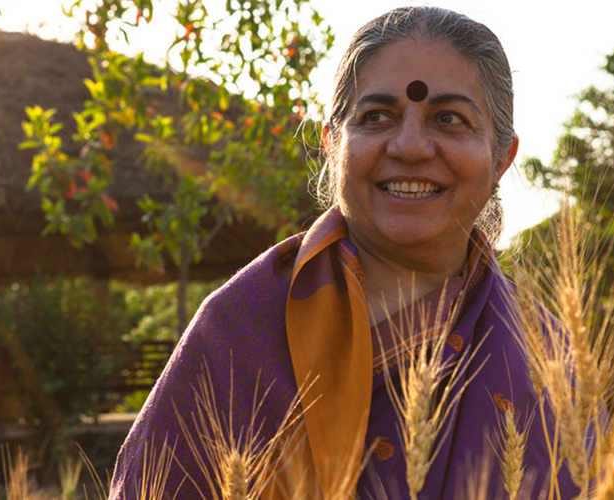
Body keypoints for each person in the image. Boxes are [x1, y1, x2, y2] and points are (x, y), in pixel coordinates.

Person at [109, 6, 580, 499]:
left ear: (501, 156)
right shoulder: (240, 330)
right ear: (333, 146)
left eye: (449, 119)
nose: (411, 146)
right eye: (377, 117)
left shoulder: (551, 357)